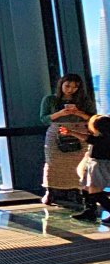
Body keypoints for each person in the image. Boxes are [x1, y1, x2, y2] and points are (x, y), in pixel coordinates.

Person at [39, 74, 95, 206]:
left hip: (79, 131)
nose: (70, 90)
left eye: (75, 87)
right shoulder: (50, 99)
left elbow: (93, 118)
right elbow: (44, 118)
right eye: (67, 86)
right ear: (61, 85)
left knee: (78, 163)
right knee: (53, 163)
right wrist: (61, 113)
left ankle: (77, 191)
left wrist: (78, 113)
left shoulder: (84, 100)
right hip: (57, 132)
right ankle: (51, 191)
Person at [63, 114, 110, 221]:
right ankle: (89, 211)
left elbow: (86, 137)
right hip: (95, 165)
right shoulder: (104, 138)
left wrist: (71, 132)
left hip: (98, 166)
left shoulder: (100, 139)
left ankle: (91, 211)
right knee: (86, 187)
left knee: (95, 192)